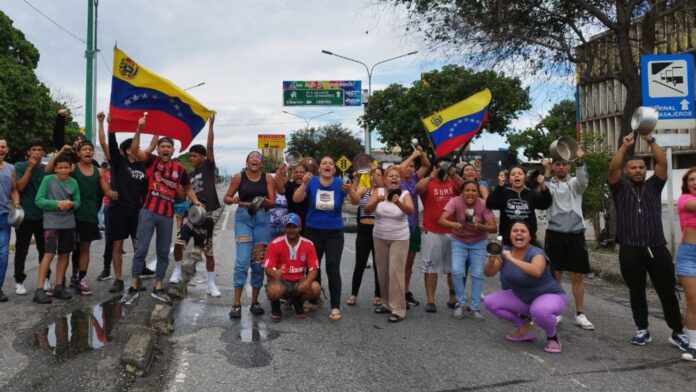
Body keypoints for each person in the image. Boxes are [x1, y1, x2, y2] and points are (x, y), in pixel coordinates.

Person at [608, 132, 687, 349]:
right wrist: (624, 147)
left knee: (667, 291)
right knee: (637, 291)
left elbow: (663, 162)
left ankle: (677, 332)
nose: (637, 170)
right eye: (633, 168)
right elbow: (612, 170)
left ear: (646, 170)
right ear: (627, 171)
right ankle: (642, 330)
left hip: (657, 248)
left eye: (641, 167)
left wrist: (651, 141)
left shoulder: (654, 186)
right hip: (630, 250)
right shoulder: (620, 188)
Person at [120, 114, 201, 305]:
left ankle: (158, 287)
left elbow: (188, 188)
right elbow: (134, 150)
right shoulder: (151, 161)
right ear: (158, 149)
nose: (165, 149)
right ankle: (132, 287)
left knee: (164, 252)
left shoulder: (180, 168)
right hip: (148, 211)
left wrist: (196, 202)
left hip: (166, 215)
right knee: (141, 250)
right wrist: (139, 128)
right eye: (162, 146)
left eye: (168, 146)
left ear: (173, 150)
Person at [482, 221, 567, 353]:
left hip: (550, 296)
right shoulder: (505, 252)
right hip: (523, 297)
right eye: (515, 231)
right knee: (489, 302)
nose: (519, 234)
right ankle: (523, 326)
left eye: (523, 231)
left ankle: (552, 337)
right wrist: (491, 260)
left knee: (540, 311)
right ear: (510, 235)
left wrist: (512, 259)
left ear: (529, 236)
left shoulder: (537, 253)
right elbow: (488, 273)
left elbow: (536, 271)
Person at [96, 111, 158, 293]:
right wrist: (107, 124)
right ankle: (117, 279)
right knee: (117, 244)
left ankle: (136, 277)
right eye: (134, 147)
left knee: (138, 245)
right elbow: (106, 143)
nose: (138, 149)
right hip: (118, 210)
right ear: (127, 150)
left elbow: (153, 145)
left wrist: (157, 127)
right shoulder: (118, 162)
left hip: (137, 211)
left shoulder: (142, 164)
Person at [293, 156, 358, 321]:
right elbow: (296, 198)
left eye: (330, 163)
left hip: (334, 233)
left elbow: (356, 201)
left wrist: (349, 189)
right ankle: (314, 300)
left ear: (334, 169)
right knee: (314, 267)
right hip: (313, 231)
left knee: (332, 267)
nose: (328, 165)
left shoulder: (339, 183)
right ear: (319, 168)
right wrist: (304, 184)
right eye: (324, 163)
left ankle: (335, 306)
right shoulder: (312, 181)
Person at [47, 142, 117, 295]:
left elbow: (106, 190)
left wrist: (113, 194)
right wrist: (59, 153)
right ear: (78, 153)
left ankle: (82, 280)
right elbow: (49, 170)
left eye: (91, 150)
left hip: (89, 215)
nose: (88, 152)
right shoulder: (72, 168)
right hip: (70, 215)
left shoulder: (98, 171)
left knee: (85, 248)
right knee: (66, 250)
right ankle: (60, 282)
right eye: (84, 149)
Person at [543, 148, 595, 330]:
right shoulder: (548, 183)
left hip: (575, 234)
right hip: (555, 233)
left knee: (577, 275)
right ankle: (556, 311)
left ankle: (580, 313)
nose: (561, 167)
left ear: (568, 165)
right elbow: (544, 197)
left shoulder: (574, 183)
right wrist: (546, 172)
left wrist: (580, 161)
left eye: (564, 164)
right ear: (553, 166)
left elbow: (583, 182)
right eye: (557, 164)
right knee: (555, 274)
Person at [171, 115, 222, 297]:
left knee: (208, 252)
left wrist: (210, 126)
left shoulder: (208, 168)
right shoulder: (189, 176)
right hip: (190, 214)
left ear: (202, 157)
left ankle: (210, 284)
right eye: (190, 155)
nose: (191, 158)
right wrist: (177, 190)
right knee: (178, 243)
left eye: (194, 155)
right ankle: (177, 271)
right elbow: (181, 196)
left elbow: (209, 147)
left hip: (207, 216)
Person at [224, 151, 275, 318]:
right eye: (252, 157)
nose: (255, 159)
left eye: (258, 158)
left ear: (261, 164)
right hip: (243, 219)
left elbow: (272, 202)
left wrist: (256, 202)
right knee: (242, 261)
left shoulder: (267, 178)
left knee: (258, 262)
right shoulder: (239, 177)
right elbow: (227, 198)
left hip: (262, 219)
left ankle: (254, 302)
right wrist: (233, 200)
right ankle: (236, 303)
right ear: (246, 161)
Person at [438, 180, 497, 320]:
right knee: (457, 271)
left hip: (479, 242)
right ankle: (460, 303)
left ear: (478, 193)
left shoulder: (483, 204)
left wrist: (481, 227)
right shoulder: (455, 201)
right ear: (462, 192)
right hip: (459, 240)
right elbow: (442, 220)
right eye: (467, 190)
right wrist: (454, 224)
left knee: (477, 274)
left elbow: (494, 227)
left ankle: (475, 307)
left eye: (473, 191)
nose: (470, 193)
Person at [365, 165, 414, 322]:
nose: (394, 178)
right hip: (379, 236)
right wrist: (377, 201)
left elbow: (410, 211)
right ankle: (386, 303)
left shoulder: (405, 194)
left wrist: (397, 202)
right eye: (391, 176)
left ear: (400, 180)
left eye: (397, 176)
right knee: (383, 272)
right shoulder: (379, 192)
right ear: (385, 179)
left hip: (399, 238)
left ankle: (399, 309)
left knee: (395, 271)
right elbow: (367, 210)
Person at [415, 158, 464, 313]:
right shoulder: (428, 183)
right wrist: (431, 175)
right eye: (440, 167)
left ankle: (452, 297)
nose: (443, 169)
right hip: (432, 232)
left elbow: (465, 187)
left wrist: (453, 173)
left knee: (453, 269)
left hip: (452, 232)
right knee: (430, 268)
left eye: (445, 167)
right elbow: (417, 189)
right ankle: (430, 300)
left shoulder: (453, 183)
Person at [32, 153, 81, 304]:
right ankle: (39, 290)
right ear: (55, 168)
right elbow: (38, 200)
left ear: (71, 168)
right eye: (60, 168)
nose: (64, 170)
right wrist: (57, 204)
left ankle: (59, 286)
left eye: (66, 167)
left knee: (65, 254)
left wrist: (72, 205)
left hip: (68, 222)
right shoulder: (48, 180)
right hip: (51, 223)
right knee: (48, 254)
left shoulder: (73, 182)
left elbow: (78, 201)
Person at [263, 213, 321, 321]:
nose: (291, 230)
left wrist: (307, 281)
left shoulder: (308, 244)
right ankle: (275, 306)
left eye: (294, 227)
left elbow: (313, 268)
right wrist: (274, 272)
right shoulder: (275, 243)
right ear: (284, 228)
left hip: (298, 281)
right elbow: (267, 267)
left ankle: (297, 301)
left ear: (300, 228)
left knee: (315, 287)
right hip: (281, 282)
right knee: (274, 290)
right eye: (288, 227)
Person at [13, 138, 51, 296]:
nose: (36, 152)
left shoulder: (45, 169)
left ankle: (46, 278)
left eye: (39, 150)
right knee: (21, 250)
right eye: (33, 149)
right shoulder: (19, 166)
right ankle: (19, 281)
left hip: (43, 216)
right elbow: (20, 187)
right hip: (25, 216)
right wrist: (29, 168)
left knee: (44, 249)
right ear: (28, 152)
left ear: (43, 152)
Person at [486, 166, 552, 247]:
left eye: (520, 174)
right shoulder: (503, 193)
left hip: (528, 240)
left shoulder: (531, 194)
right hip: (507, 239)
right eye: (513, 174)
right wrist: (499, 186)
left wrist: (543, 186)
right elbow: (490, 204)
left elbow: (546, 204)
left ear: (525, 177)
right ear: (509, 179)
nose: (516, 175)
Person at [346, 165, 383, 307]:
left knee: (378, 264)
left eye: (378, 175)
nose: (374, 178)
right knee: (360, 264)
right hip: (363, 231)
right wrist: (355, 180)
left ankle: (378, 294)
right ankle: (354, 294)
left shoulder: (383, 192)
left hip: (378, 231)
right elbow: (351, 198)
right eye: (373, 175)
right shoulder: (364, 190)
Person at [399, 146, 430, 307]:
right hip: (399, 227)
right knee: (399, 262)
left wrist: (420, 152)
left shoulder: (414, 179)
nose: (410, 169)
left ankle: (405, 291)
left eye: (412, 167)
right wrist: (412, 155)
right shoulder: (397, 178)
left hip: (413, 226)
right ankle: (395, 293)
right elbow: (399, 168)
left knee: (409, 263)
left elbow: (425, 165)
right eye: (409, 166)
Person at [677, 168, 696, 361]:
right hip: (690, 256)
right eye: (691, 179)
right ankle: (693, 345)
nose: (695, 182)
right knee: (693, 302)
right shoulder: (684, 199)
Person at [0, 138, 19, 302]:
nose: (0, 149)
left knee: (3, 254)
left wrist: (17, 202)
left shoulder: (11, 168)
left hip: (4, 217)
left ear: (7, 150)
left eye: (3, 147)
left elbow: (13, 190)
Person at [277, 162, 309, 235]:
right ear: (293, 174)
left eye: (301, 172)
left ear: (306, 174)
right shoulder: (290, 185)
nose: (299, 174)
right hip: (292, 221)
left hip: (307, 221)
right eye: (296, 172)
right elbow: (280, 190)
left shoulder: (310, 186)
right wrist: (281, 173)